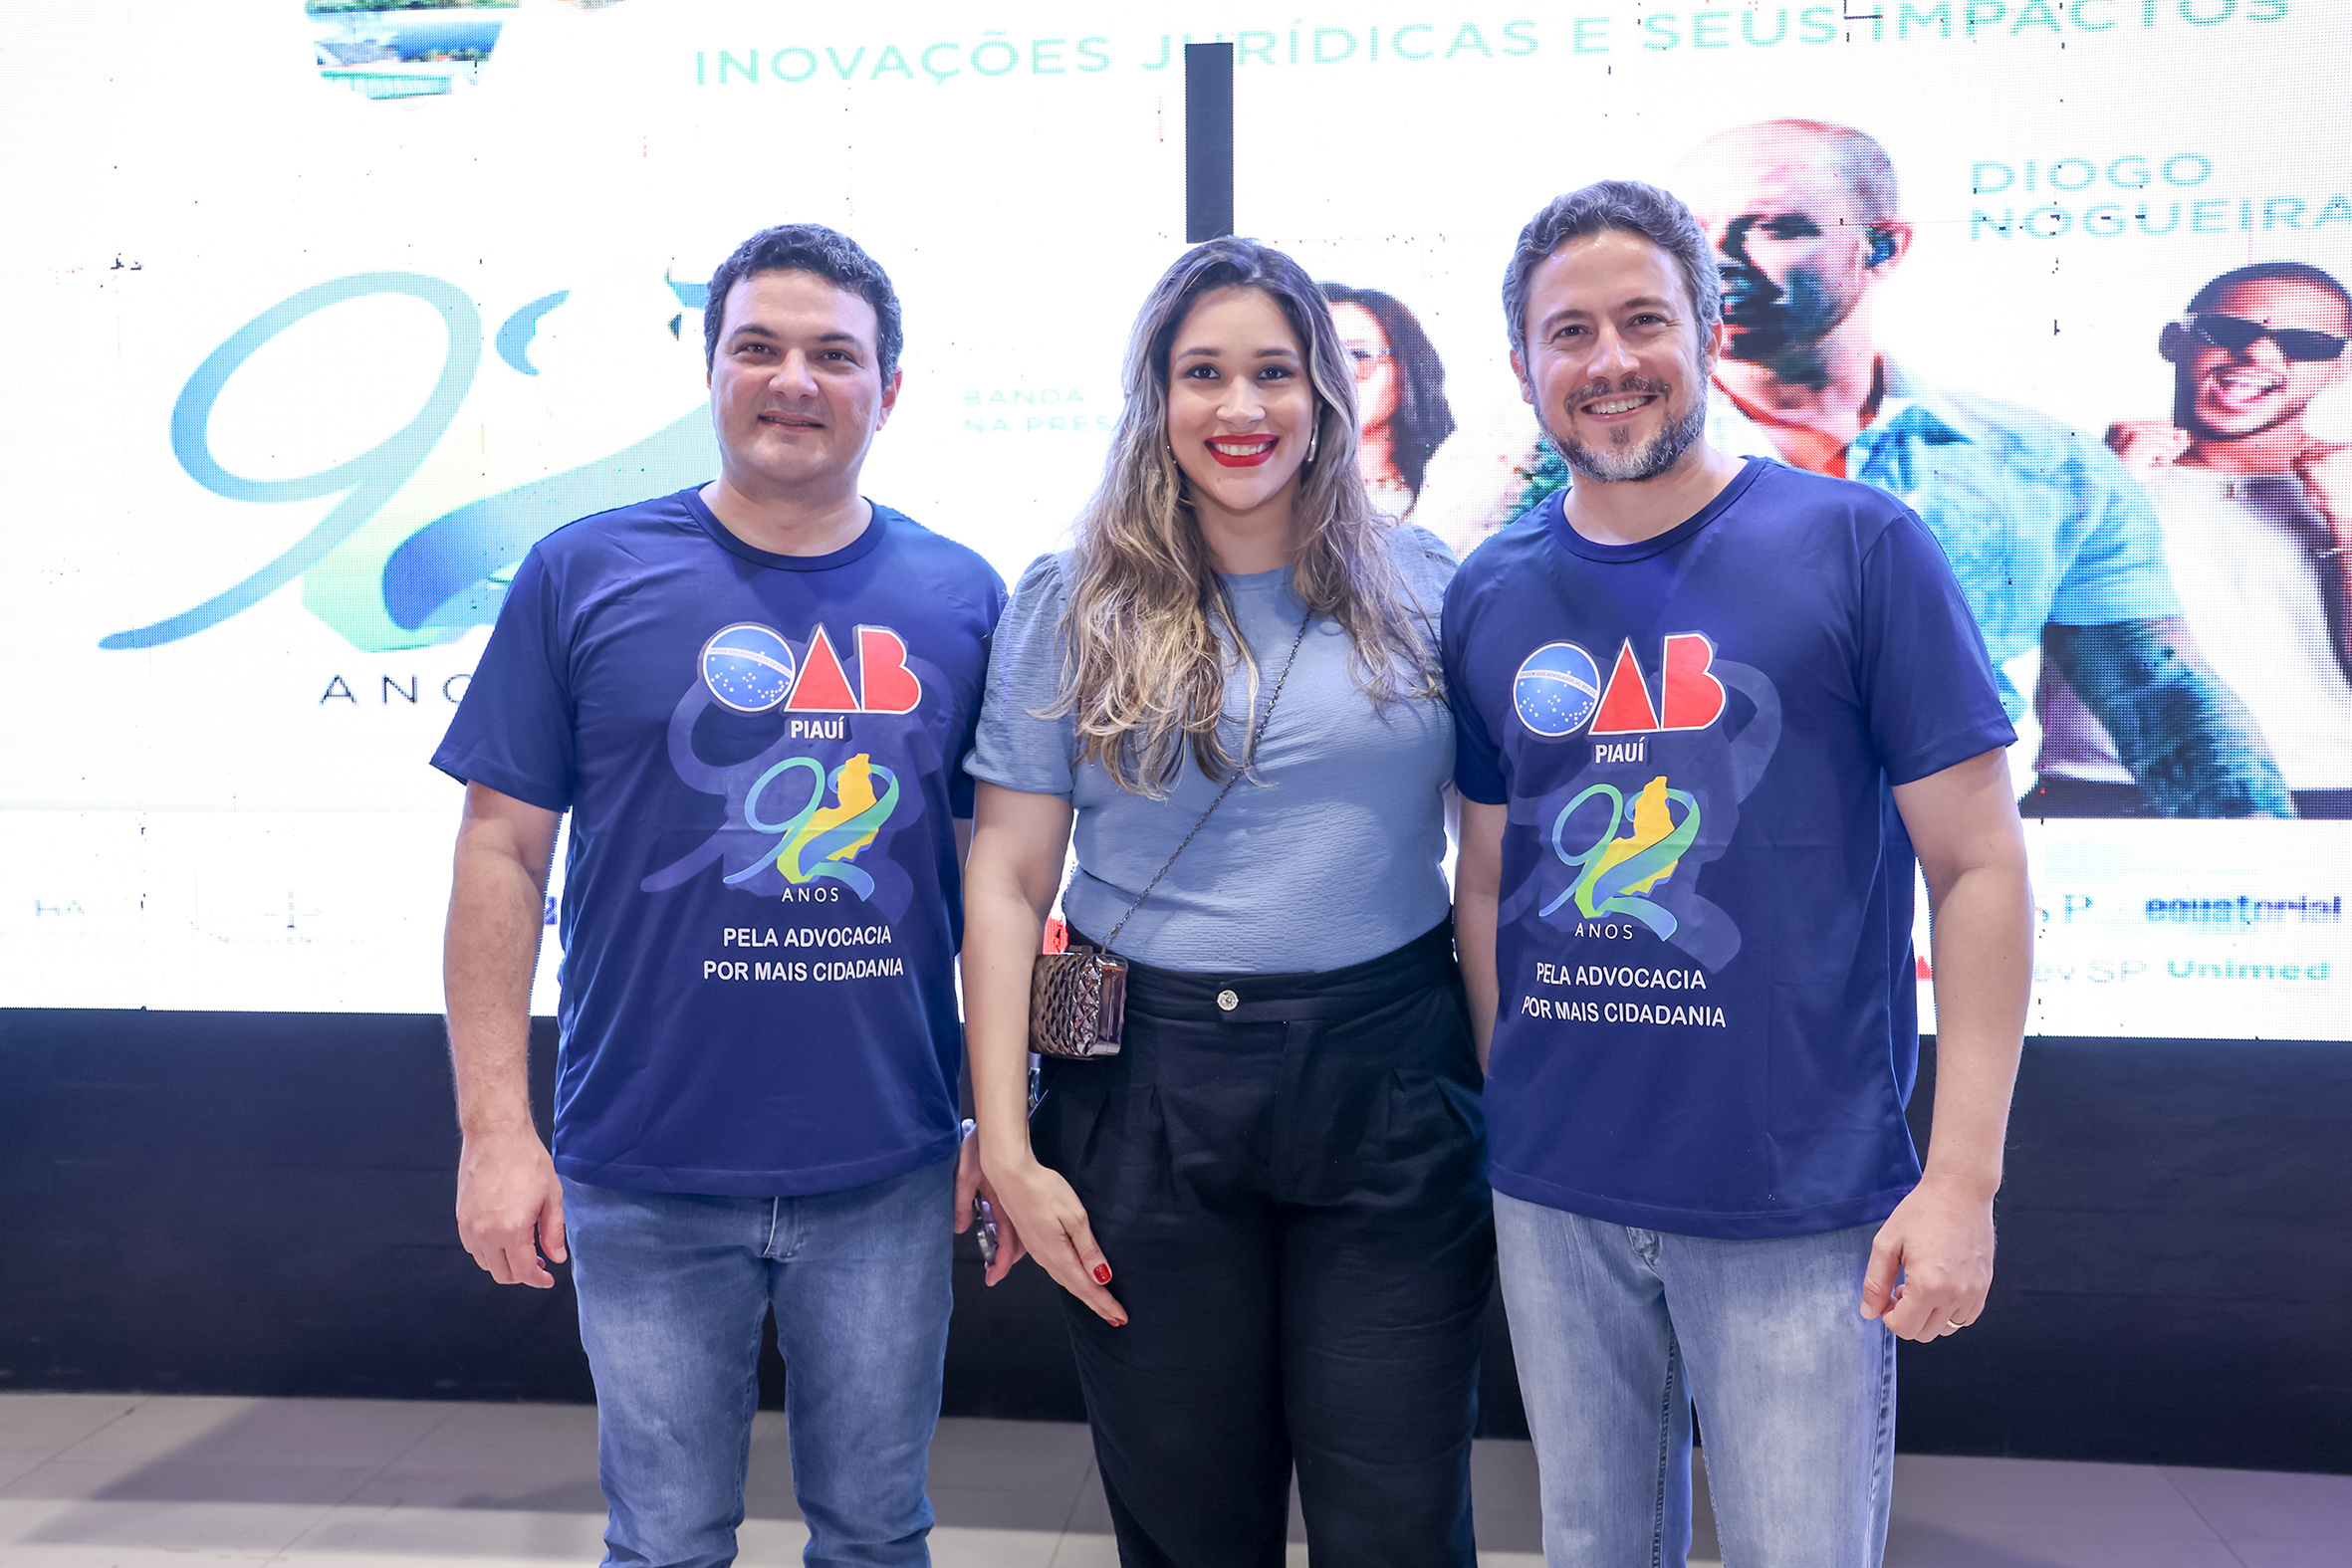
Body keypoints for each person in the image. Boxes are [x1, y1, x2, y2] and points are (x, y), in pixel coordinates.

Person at [1446, 180, 2032, 1566]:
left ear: (1707, 332)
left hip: (1796, 1196)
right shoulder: (1488, 591)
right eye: (1568, 331)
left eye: (1643, 319)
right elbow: (1487, 872)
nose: (1608, 360)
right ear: (1521, 365)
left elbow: (1977, 865)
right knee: (1592, 1545)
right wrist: (1516, 1102)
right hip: (1556, 1195)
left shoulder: (1857, 545)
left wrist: (1961, 1181)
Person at [434, 222, 1014, 1568]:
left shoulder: (962, 595)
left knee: (876, 1536)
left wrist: (1006, 1118)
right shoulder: (583, 573)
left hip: (887, 1165)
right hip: (642, 1162)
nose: (793, 380)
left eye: (833, 355)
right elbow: (499, 853)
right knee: (665, 1542)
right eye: (758, 346)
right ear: (710, 372)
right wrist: (492, 1131)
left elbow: (1000, 884)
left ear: (889, 388)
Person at [962, 237, 1490, 1567]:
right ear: (1155, 394)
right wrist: (1009, 1147)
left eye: (1273, 372)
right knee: (1189, 1522)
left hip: (1390, 1081)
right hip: (1144, 1089)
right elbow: (1009, 876)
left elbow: (1487, 865)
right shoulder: (1069, 599)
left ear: (1325, 393)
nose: (1239, 407)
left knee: (1396, 1518)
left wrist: (1516, 1095)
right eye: (1202, 372)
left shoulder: (1427, 586)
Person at [1441, 118, 2290, 818]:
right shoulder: (1545, 452)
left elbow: (2165, 707)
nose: (1721, 258)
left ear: (1883, 245)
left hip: (1949, 878)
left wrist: (2279, 901)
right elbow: (1446, 695)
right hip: (1658, 877)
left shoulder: (2044, 465)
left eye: (1775, 226)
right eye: (1693, 233)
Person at [2037, 261, 2352, 817]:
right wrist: (2106, 500)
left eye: (2303, 343)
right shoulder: (2076, 477)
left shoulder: (2344, 485)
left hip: (2316, 789)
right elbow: (1987, 643)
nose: (2257, 355)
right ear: (2173, 341)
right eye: (2229, 331)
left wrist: (2345, 527)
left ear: (2338, 367)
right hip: (2102, 789)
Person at [1318, 282, 1458, 520]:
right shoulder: (1277, 492)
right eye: (1321, 358)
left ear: (1405, 368)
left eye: (1359, 355)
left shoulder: (1457, 484)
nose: (1339, 374)